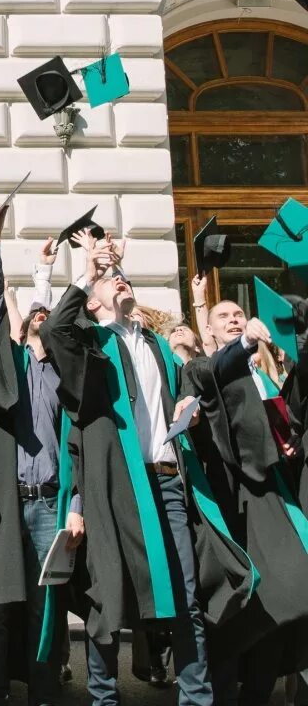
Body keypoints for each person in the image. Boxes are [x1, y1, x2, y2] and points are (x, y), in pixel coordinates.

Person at [40, 230, 254, 706]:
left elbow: (196, 382)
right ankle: (104, 698)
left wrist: (191, 410)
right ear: (93, 303)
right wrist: (88, 272)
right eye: (108, 280)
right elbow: (55, 331)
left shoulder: (158, 346)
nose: (117, 280)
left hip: (168, 484)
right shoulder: (91, 346)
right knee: (106, 596)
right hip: (115, 488)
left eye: (120, 274)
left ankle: (196, 698)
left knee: (185, 595)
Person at [0, 222, 82, 706]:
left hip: (49, 503)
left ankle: (44, 694)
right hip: (3, 502)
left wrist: (76, 500)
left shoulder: (63, 375)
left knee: (43, 607)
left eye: (44, 313)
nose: (37, 316)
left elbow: (77, 447)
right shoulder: (5, 365)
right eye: (33, 312)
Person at [183, 296, 308, 703]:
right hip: (234, 502)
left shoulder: (264, 378)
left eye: (239, 314)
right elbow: (217, 370)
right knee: (251, 603)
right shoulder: (201, 367)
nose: (235, 319)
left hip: (274, 493)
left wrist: (287, 440)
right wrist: (244, 345)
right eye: (225, 317)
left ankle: (256, 693)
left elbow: (282, 418)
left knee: (283, 602)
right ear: (211, 330)